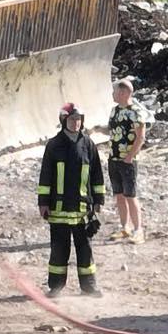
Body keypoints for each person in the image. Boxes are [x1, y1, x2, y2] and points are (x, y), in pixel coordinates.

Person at [38, 102, 107, 296]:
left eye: (78, 119)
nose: (76, 123)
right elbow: (45, 175)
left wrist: (99, 200)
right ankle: (56, 286)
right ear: (63, 120)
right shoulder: (54, 145)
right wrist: (43, 203)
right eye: (72, 119)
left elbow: (96, 174)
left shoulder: (88, 144)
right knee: (59, 249)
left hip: (82, 209)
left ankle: (89, 286)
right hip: (58, 208)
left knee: (85, 249)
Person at [106, 78, 149, 243]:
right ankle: (125, 227)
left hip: (127, 161)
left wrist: (130, 156)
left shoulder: (136, 112)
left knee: (130, 195)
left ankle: (138, 230)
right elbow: (112, 130)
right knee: (119, 195)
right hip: (113, 158)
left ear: (123, 92)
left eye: (115, 91)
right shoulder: (114, 111)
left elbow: (141, 137)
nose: (113, 94)